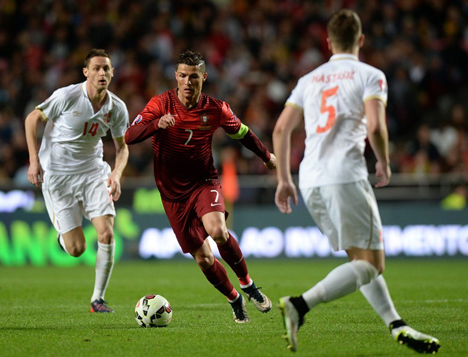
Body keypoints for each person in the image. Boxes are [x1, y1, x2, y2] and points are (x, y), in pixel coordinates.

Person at [272, 10, 440, 354]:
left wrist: (283, 180)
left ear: (328, 42)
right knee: (373, 263)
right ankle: (299, 305)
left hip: (310, 179)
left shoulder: (309, 80)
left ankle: (396, 324)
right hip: (345, 175)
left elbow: (280, 129)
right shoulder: (370, 75)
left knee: (359, 260)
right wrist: (384, 160)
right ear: (361, 40)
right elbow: (376, 127)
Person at [125, 50, 277, 323]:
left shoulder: (216, 108)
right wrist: (156, 124)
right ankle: (235, 299)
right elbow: (129, 135)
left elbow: (242, 132)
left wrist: (266, 156)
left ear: (203, 77)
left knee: (218, 230)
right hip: (172, 194)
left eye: (193, 76)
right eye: (182, 75)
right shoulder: (160, 104)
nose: (187, 81)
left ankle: (247, 284)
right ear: (176, 76)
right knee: (204, 259)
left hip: (203, 182)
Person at [25, 49, 129, 313]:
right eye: (96, 68)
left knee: (106, 232)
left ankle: (98, 299)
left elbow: (123, 147)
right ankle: (63, 237)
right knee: (77, 249)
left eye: (106, 68)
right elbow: (31, 119)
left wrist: (116, 174)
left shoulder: (116, 107)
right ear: (86, 72)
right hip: (58, 177)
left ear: (112, 72)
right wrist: (34, 160)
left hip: (94, 172)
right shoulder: (67, 96)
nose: (101, 73)